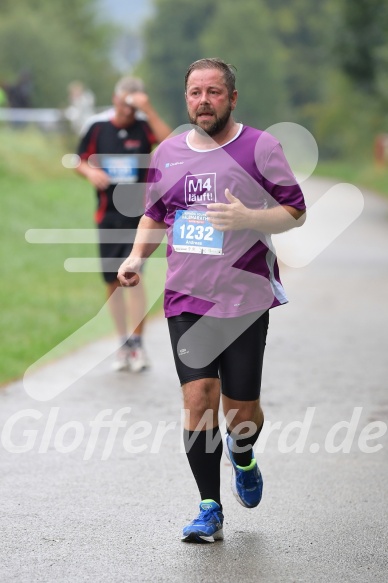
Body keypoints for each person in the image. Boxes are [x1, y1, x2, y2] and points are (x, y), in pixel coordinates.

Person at [117, 58, 306, 541]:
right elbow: (155, 214)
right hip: (187, 298)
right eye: (196, 93)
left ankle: (242, 455)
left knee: (241, 414)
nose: (204, 101)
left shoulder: (261, 147)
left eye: (214, 92)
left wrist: (249, 218)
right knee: (198, 401)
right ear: (186, 99)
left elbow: (294, 212)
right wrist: (138, 257)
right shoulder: (169, 152)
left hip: (245, 299)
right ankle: (209, 507)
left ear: (232, 98)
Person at [76, 76, 172, 372]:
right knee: (111, 282)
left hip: (138, 217)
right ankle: (122, 343)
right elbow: (76, 158)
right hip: (107, 215)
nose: (128, 113)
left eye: (135, 107)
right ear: (116, 100)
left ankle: (138, 345)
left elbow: (170, 143)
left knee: (133, 277)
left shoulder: (144, 125)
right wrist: (89, 172)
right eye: (124, 106)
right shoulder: (97, 126)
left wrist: (149, 110)